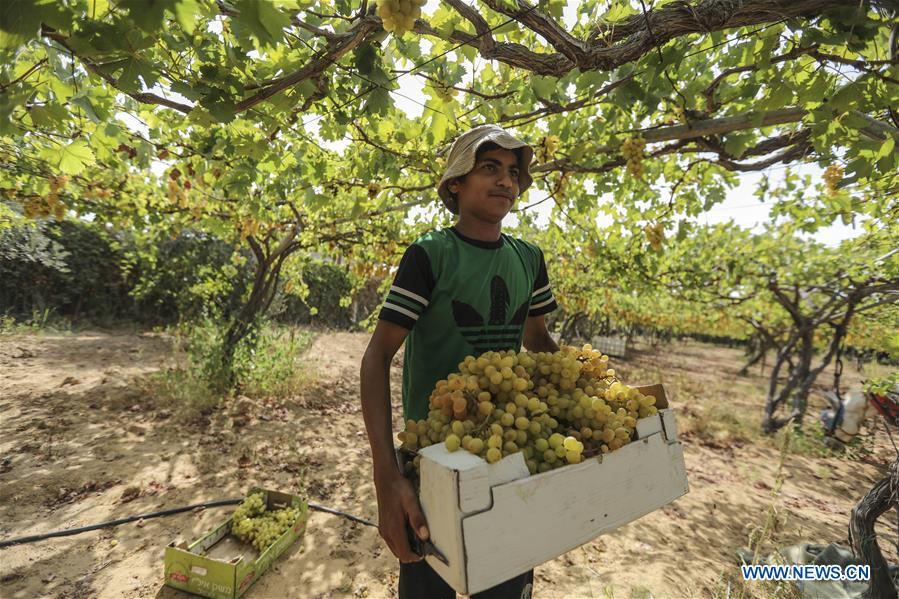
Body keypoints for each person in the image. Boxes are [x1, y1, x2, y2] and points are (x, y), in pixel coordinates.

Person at [360, 124, 561, 599]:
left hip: (507, 450)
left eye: (514, 172)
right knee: (430, 581)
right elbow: (377, 357)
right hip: (432, 459)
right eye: (489, 168)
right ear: (456, 183)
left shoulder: (529, 259)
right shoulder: (430, 254)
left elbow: (538, 340)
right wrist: (386, 475)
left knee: (506, 583)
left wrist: (599, 392)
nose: (506, 182)